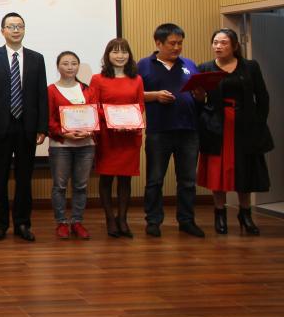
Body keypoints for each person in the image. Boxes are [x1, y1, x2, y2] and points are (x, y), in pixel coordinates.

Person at [197, 28, 273, 235]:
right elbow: (200, 101)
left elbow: (262, 97)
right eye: (215, 42)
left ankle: (245, 214)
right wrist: (199, 99)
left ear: (235, 46)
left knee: (245, 171)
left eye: (223, 42)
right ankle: (219, 214)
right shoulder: (205, 68)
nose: (218, 46)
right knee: (218, 173)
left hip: (245, 127)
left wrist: (258, 122)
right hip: (216, 127)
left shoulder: (250, 66)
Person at [0, 12, 48, 242]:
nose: (15, 30)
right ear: (3, 31)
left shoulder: (37, 58)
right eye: (11, 26)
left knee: (24, 178)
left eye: (19, 26)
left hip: (27, 127)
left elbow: (41, 95)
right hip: (0, 128)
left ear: (24, 30)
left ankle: (22, 223)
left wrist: (42, 127)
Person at [138, 23, 205, 238]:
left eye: (180, 43)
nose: (176, 47)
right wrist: (155, 95)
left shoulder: (189, 64)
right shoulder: (144, 65)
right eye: (172, 43)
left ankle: (186, 221)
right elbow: (134, 94)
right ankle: (153, 221)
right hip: (159, 131)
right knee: (155, 179)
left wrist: (200, 96)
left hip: (189, 130)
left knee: (187, 181)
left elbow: (200, 98)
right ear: (158, 43)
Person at [90, 39, 145, 238]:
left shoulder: (137, 79)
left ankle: (122, 219)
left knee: (125, 179)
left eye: (124, 52)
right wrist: (113, 120)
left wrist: (128, 122)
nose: (120, 56)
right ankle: (110, 219)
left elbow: (140, 105)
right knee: (106, 178)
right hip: (108, 135)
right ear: (108, 55)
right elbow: (94, 106)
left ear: (129, 55)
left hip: (129, 135)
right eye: (115, 52)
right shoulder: (98, 79)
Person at [46, 51, 96, 240]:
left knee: (81, 185)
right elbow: (48, 119)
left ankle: (77, 221)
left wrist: (89, 131)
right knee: (59, 186)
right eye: (65, 63)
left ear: (78, 66)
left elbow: (95, 114)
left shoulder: (87, 90)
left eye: (74, 63)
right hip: (61, 146)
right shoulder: (51, 90)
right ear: (58, 66)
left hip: (86, 144)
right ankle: (61, 222)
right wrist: (63, 132)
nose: (69, 67)